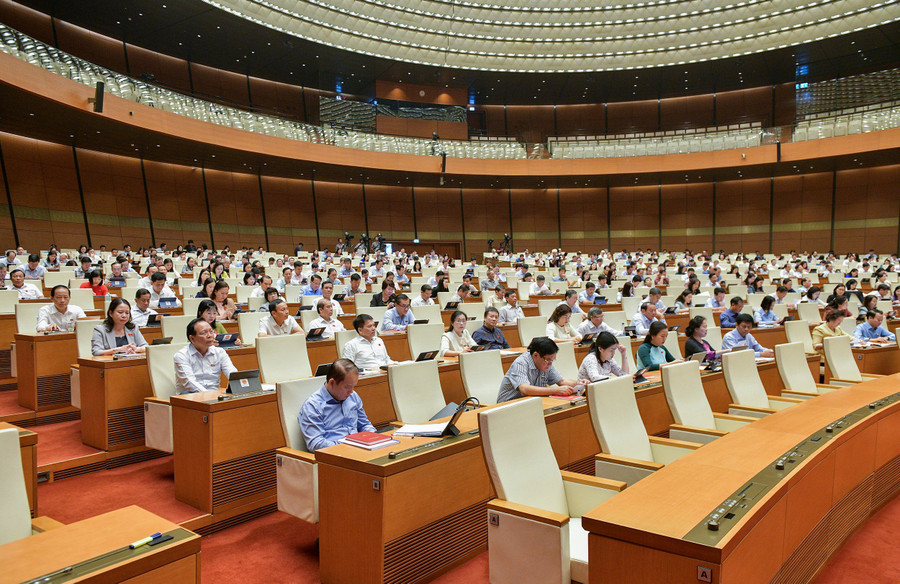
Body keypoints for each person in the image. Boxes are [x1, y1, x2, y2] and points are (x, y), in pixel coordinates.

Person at [298, 358, 376, 451]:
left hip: (358, 449)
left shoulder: (353, 396)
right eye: (347, 387)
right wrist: (348, 445)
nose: (351, 392)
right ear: (332, 383)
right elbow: (316, 444)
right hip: (335, 456)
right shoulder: (313, 406)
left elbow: (364, 425)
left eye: (353, 387)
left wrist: (375, 438)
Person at [497, 336, 587, 402]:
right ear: (535, 355)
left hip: (529, 403)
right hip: (507, 406)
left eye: (552, 360)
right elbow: (524, 390)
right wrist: (555, 390)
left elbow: (562, 381)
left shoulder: (546, 363)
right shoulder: (520, 363)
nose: (550, 364)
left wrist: (580, 384)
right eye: (548, 360)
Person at [173, 318, 237, 394]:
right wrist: (209, 395)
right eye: (204, 333)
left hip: (214, 395)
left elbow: (232, 373)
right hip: (190, 396)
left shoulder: (219, 352)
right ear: (192, 338)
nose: (210, 335)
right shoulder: (182, 355)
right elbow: (189, 383)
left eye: (211, 331)